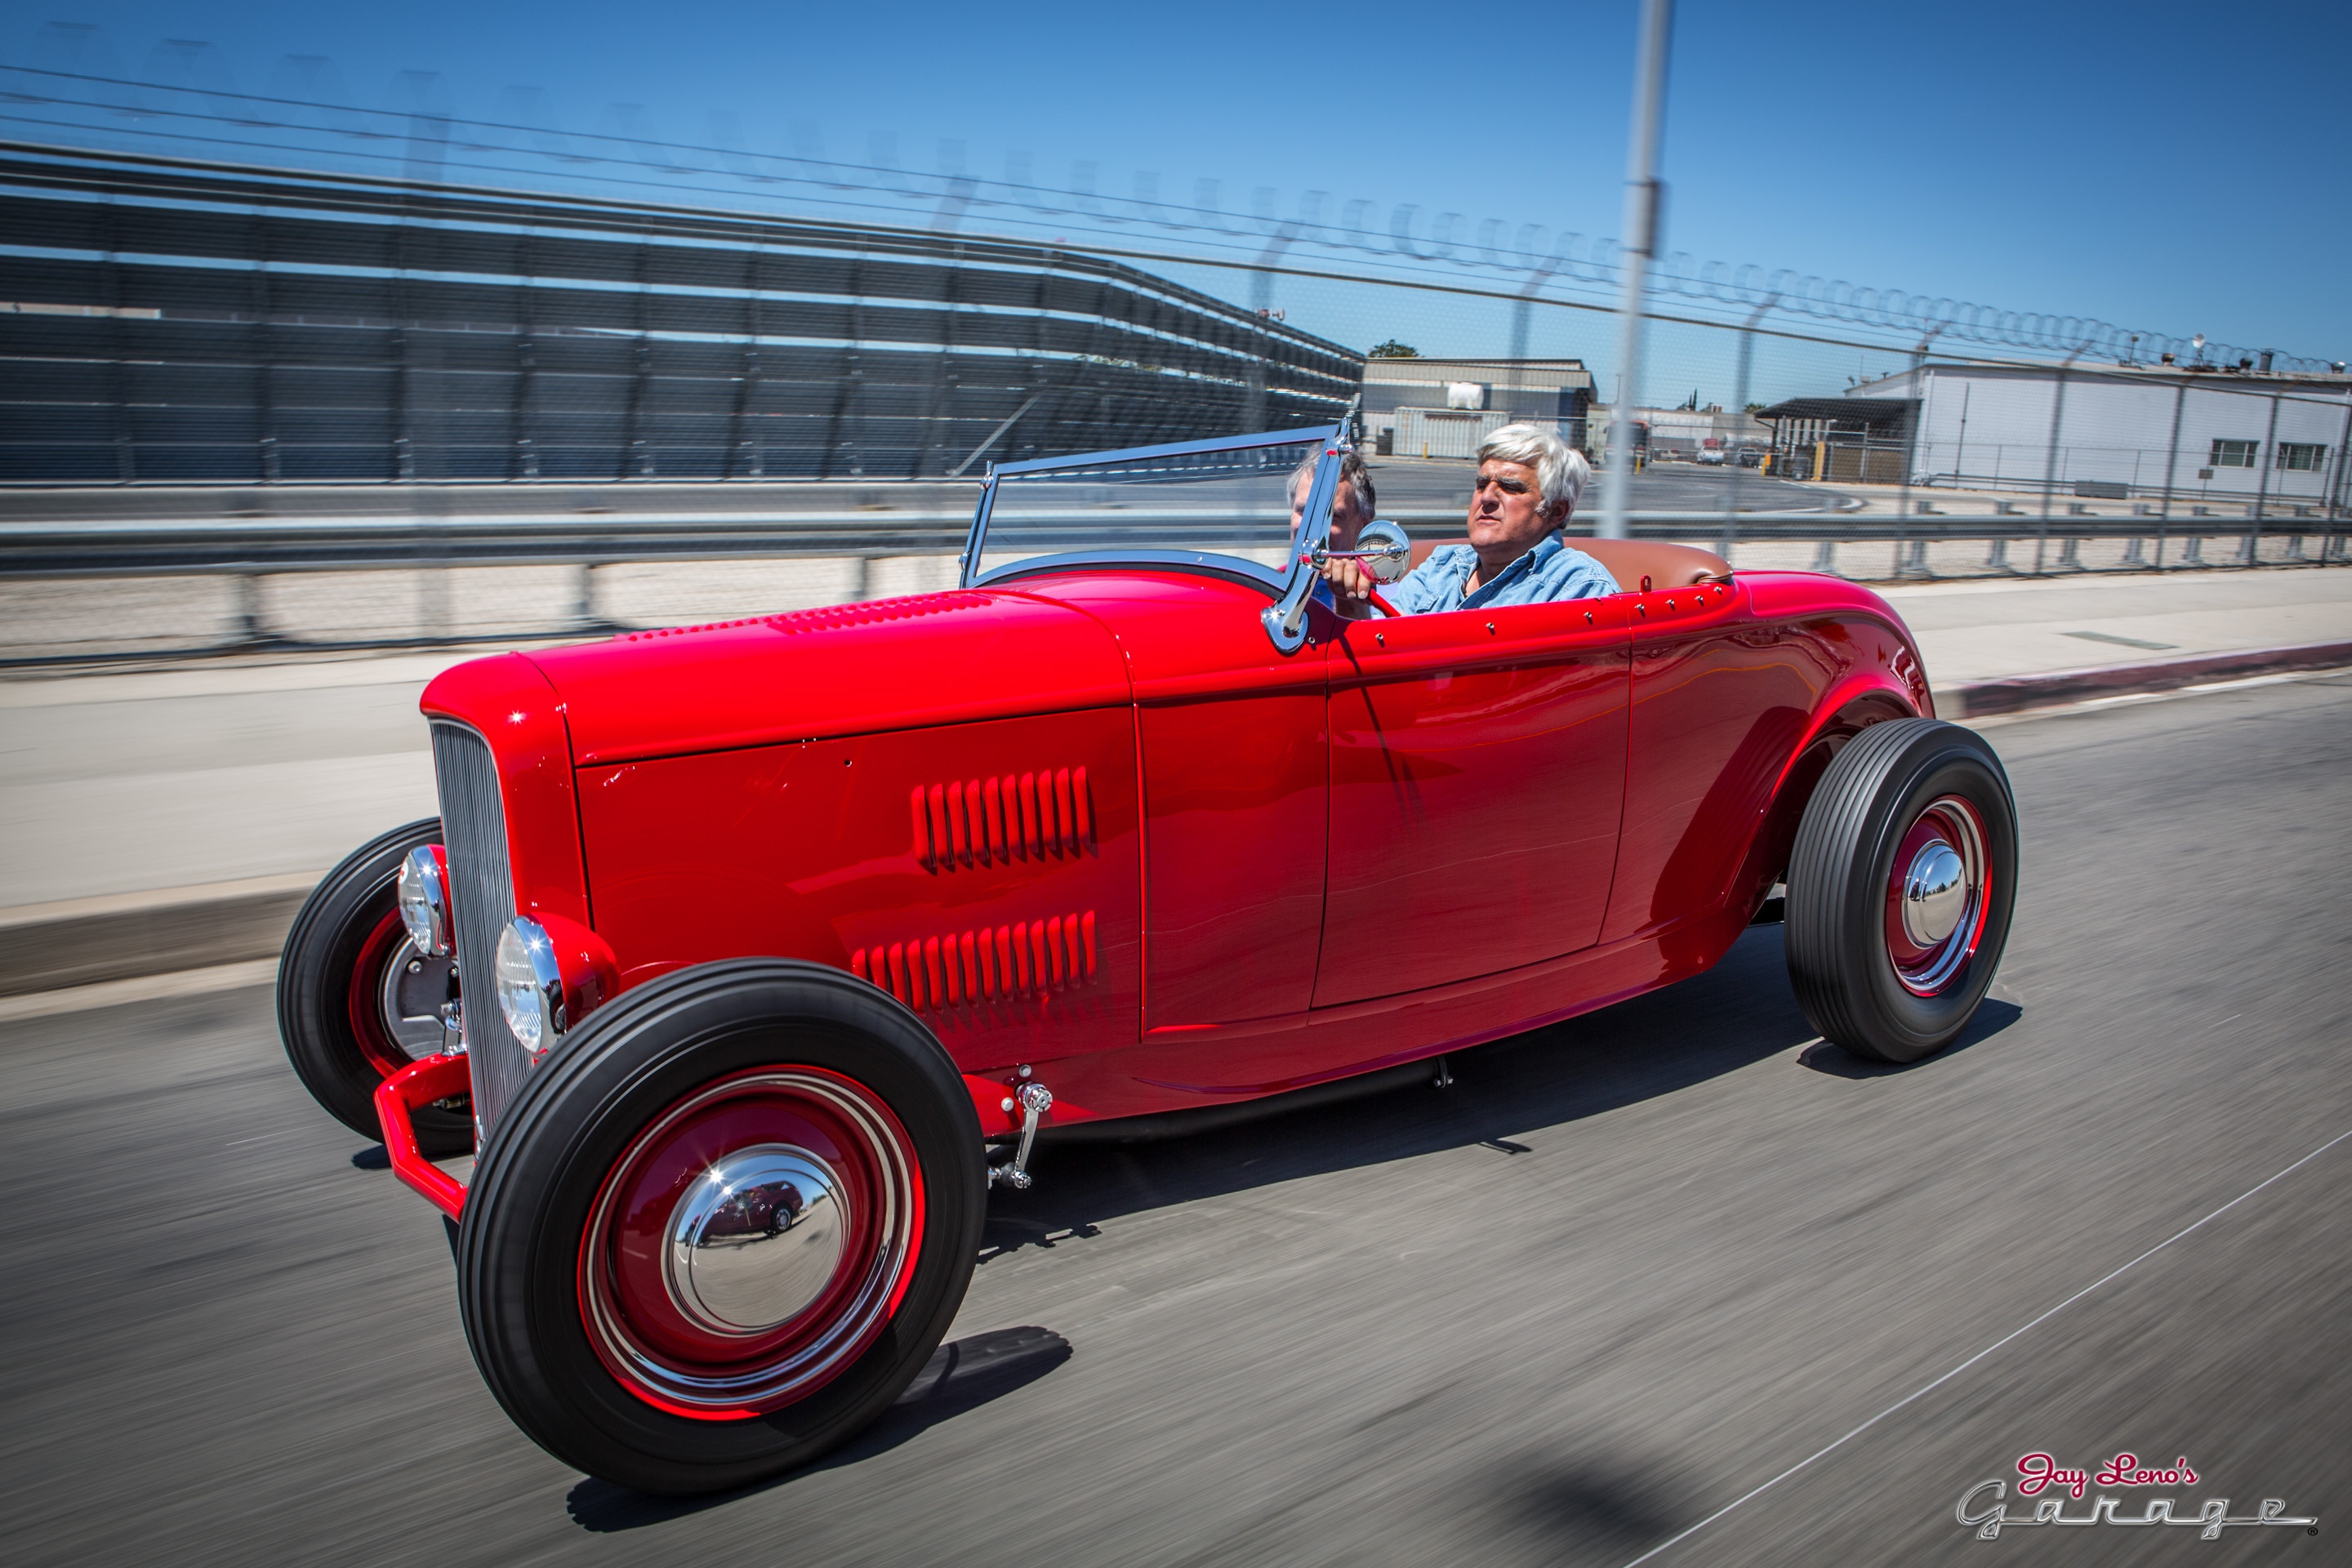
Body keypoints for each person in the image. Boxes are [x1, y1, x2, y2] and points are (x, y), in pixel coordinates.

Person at [1316, 423, 1616, 613]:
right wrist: (1350, 600)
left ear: (1556, 511)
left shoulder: (1579, 588)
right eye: (1482, 484)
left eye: (1511, 487)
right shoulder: (1441, 566)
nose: (1487, 497)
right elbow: (1379, 647)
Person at [1287, 448, 1377, 612]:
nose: (1313, 528)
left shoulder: (1382, 599)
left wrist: (1352, 601)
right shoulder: (1267, 589)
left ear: (1363, 525)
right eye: (1304, 511)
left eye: (1332, 516)